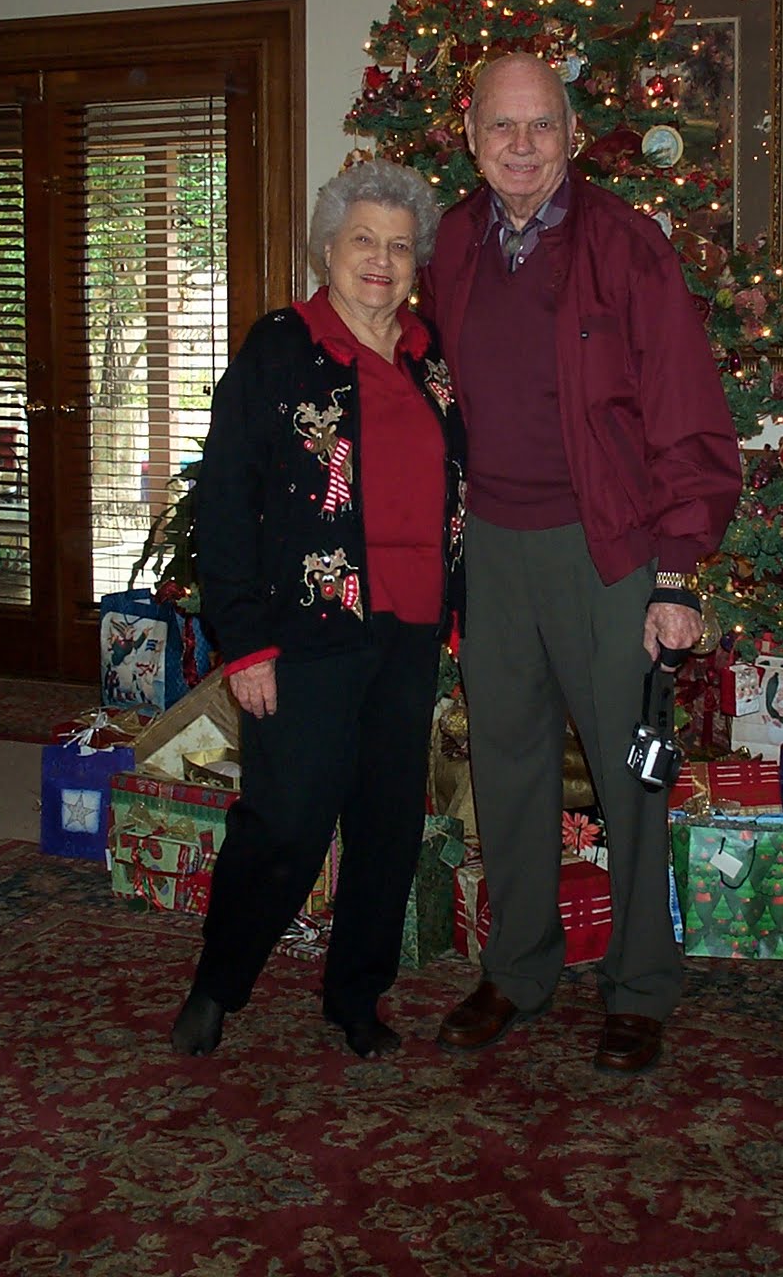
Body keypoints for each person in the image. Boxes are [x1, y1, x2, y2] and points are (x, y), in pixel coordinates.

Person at [419, 52, 741, 1074]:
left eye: (540, 126)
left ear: (570, 135)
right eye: (501, 126)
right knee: (507, 768)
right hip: (491, 549)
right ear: (471, 136)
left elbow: (687, 414)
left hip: (605, 549)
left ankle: (640, 985)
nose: (521, 146)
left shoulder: (626, 247)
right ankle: (518, 970)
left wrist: (676, 573)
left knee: (628, 776)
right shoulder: (451, 243)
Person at [171, 158, 466, 1061]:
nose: (381, 260)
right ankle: (219, 983)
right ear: (327, 250)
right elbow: (227, 503)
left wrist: (460, 612)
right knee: (287, 821)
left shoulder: (428, 354)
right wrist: (245, 642)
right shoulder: (280, 349)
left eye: (400, 247)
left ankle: (356, 997)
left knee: (387, 823)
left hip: (410, 627)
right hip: (307, 627)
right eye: (362, 241)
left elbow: (457, 488)